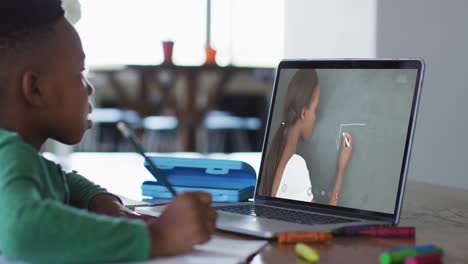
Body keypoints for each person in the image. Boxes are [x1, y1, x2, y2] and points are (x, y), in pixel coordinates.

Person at [0, 1, 217, 263]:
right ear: (35, 89)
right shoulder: (12, 156)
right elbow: (24, 232)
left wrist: (99, 199)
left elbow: (61, 179)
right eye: (80, 73)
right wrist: (159, 237)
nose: (89, 88)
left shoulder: (17, 157)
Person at [258, 69, 353, 205]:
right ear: (303, 113)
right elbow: (323, 224)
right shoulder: (296, 165)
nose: (315, 118)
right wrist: (341, 169)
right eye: (315, 110)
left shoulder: (276, 156)